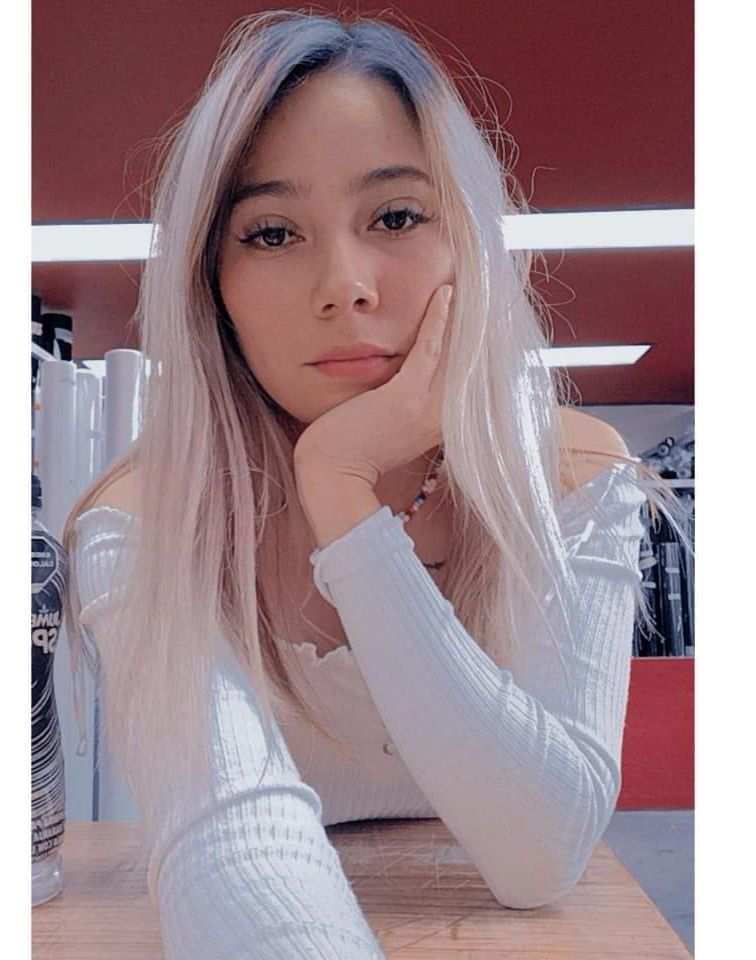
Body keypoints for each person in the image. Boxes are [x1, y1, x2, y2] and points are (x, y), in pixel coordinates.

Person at [61, 9, 693, 959]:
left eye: (396, 217)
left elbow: (541, 849)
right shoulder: (149, 520)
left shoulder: (569, 475)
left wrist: (344, 496)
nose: (344, 285)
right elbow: (234, 845)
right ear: (210, 285)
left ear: (465, 242)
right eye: (273, 233)